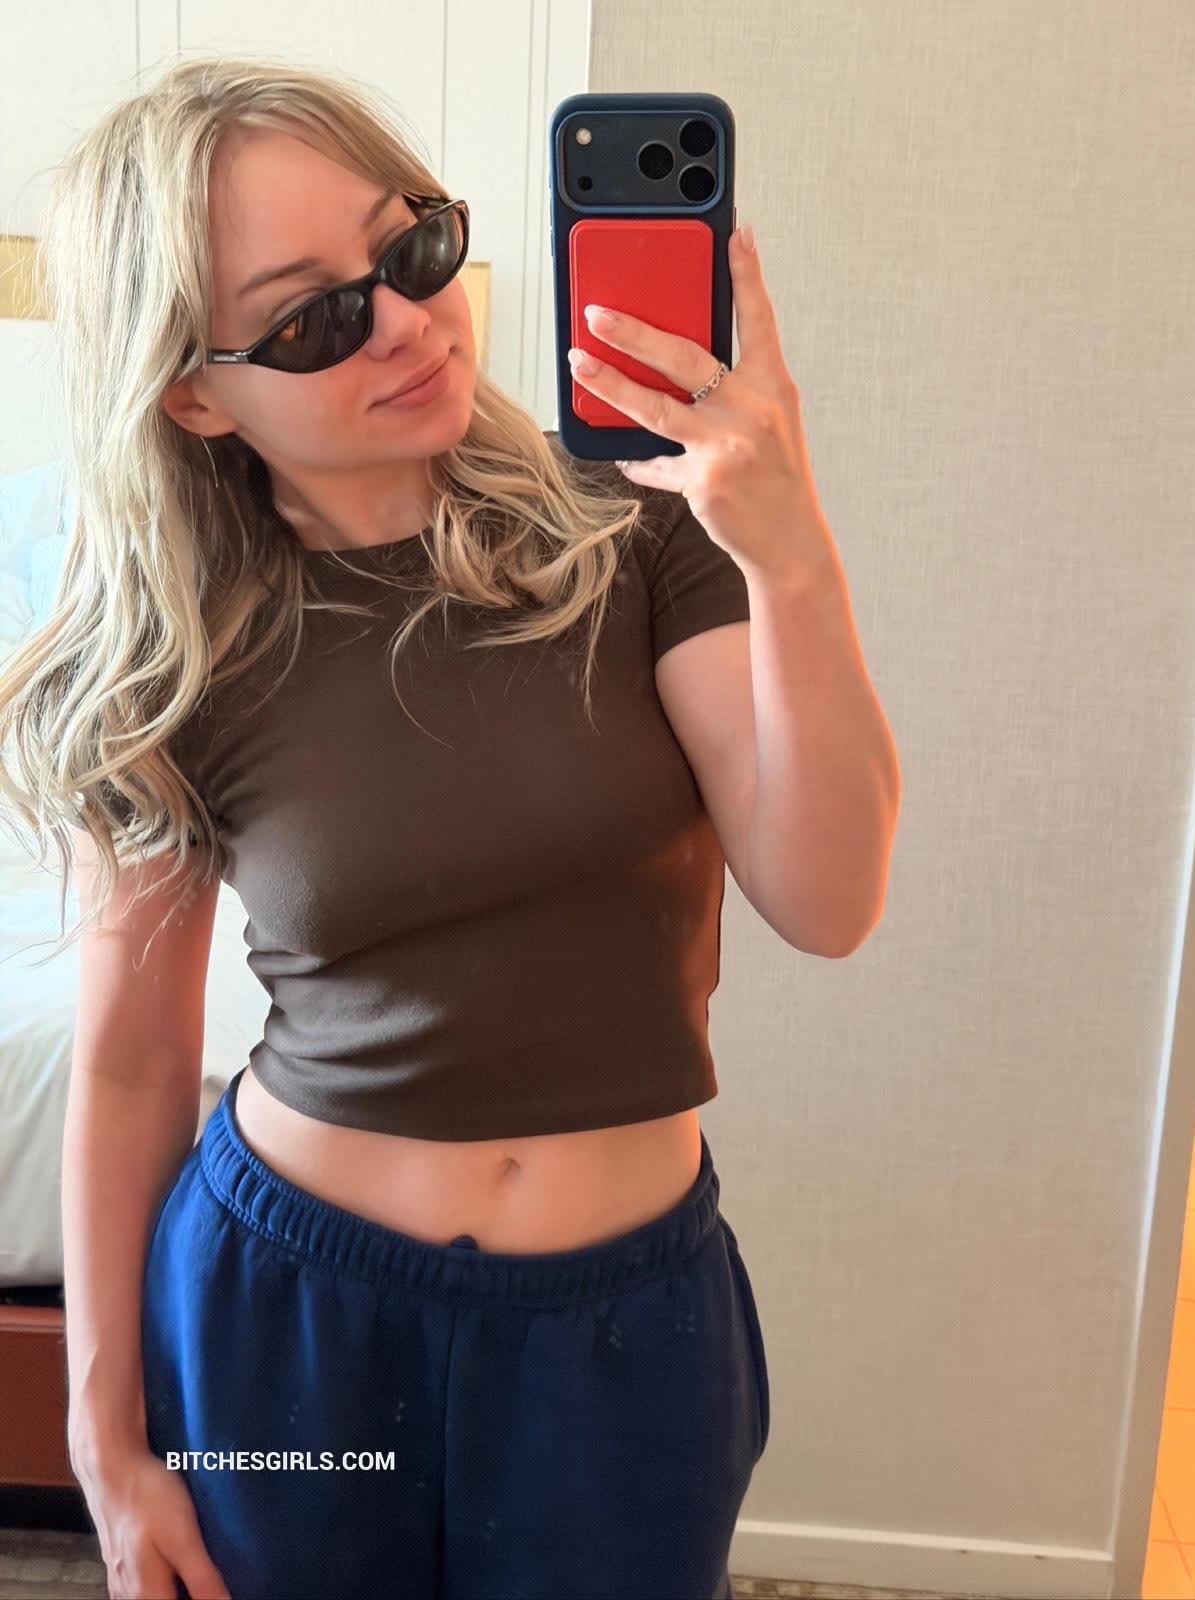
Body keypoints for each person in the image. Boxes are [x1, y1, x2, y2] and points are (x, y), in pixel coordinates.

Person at [5, 55, 774, 1600]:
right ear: (192, 391)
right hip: (290, 1332)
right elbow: (137, 1058)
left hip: (623, 1339)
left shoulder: (640, 527)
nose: (410, 323)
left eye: (411, 248)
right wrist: (104, 1436)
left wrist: (794, 554)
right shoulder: (175, 651)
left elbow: (831, 895)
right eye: (311, 318)